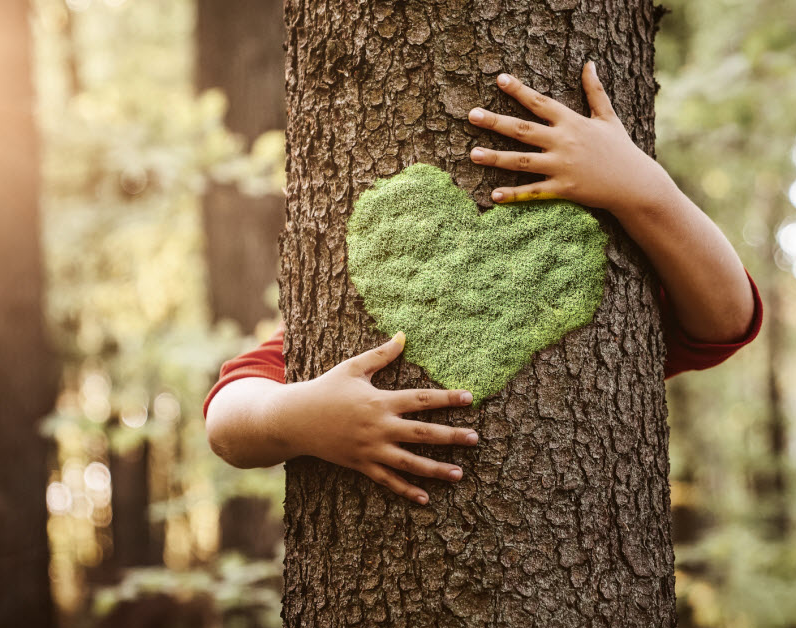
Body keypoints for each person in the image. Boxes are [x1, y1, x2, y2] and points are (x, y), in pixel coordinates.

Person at [203, 61, 762, 506]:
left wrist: (643, 188)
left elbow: (727, 318)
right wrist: (299, 418)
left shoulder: (622, 292)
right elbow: (229, 420)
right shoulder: (348, 317)